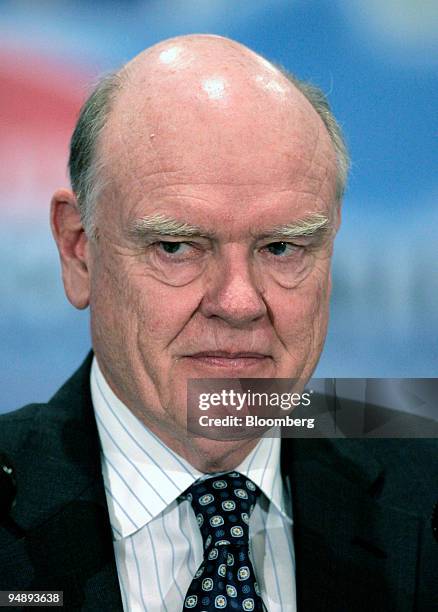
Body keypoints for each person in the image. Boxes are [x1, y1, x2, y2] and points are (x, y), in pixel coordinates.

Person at [0, 35, 436, 611]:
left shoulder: (424, 483)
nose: (239, 302)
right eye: (177, 246)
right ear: (80, 250)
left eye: (282, 247)